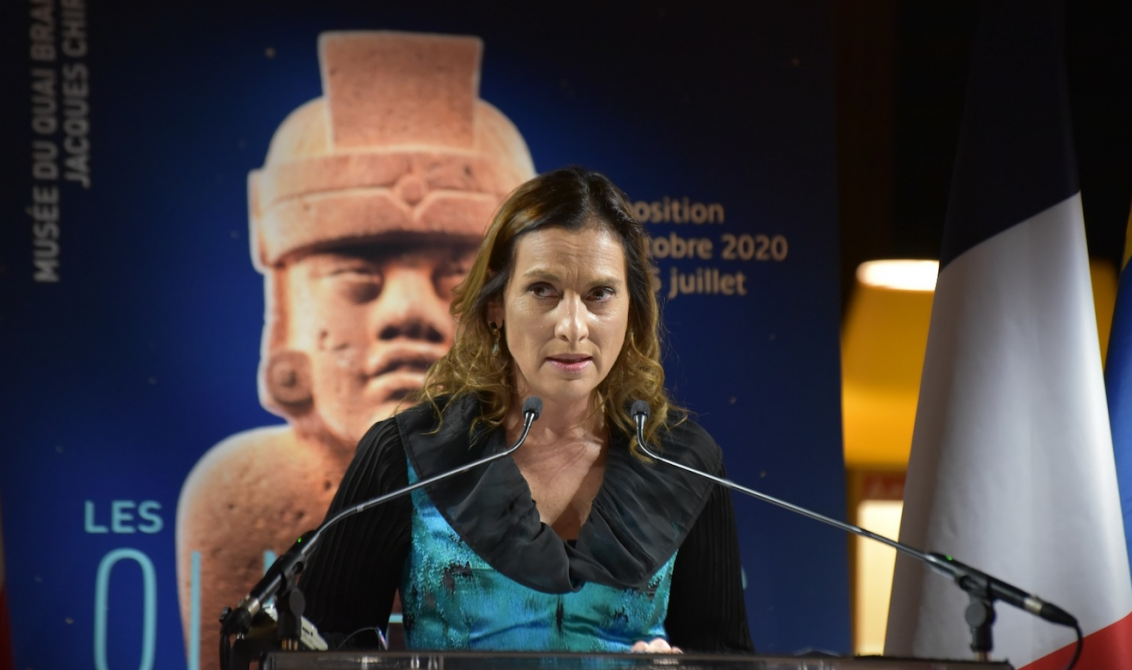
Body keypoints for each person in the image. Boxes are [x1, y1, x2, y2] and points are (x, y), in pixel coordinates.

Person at [176, 31, 536, 670]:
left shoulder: (554, 470)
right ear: (286, 303)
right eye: (357, 277)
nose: (407, 315)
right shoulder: (246, 490)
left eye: (454, 275)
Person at [300, 166, 754, 653]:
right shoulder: (408, 456)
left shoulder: (683, 463)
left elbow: (727, 657)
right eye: (543, 291)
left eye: (599, 294)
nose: (573, 327)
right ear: (496, 305)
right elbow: (321, 651)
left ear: (632, 309)